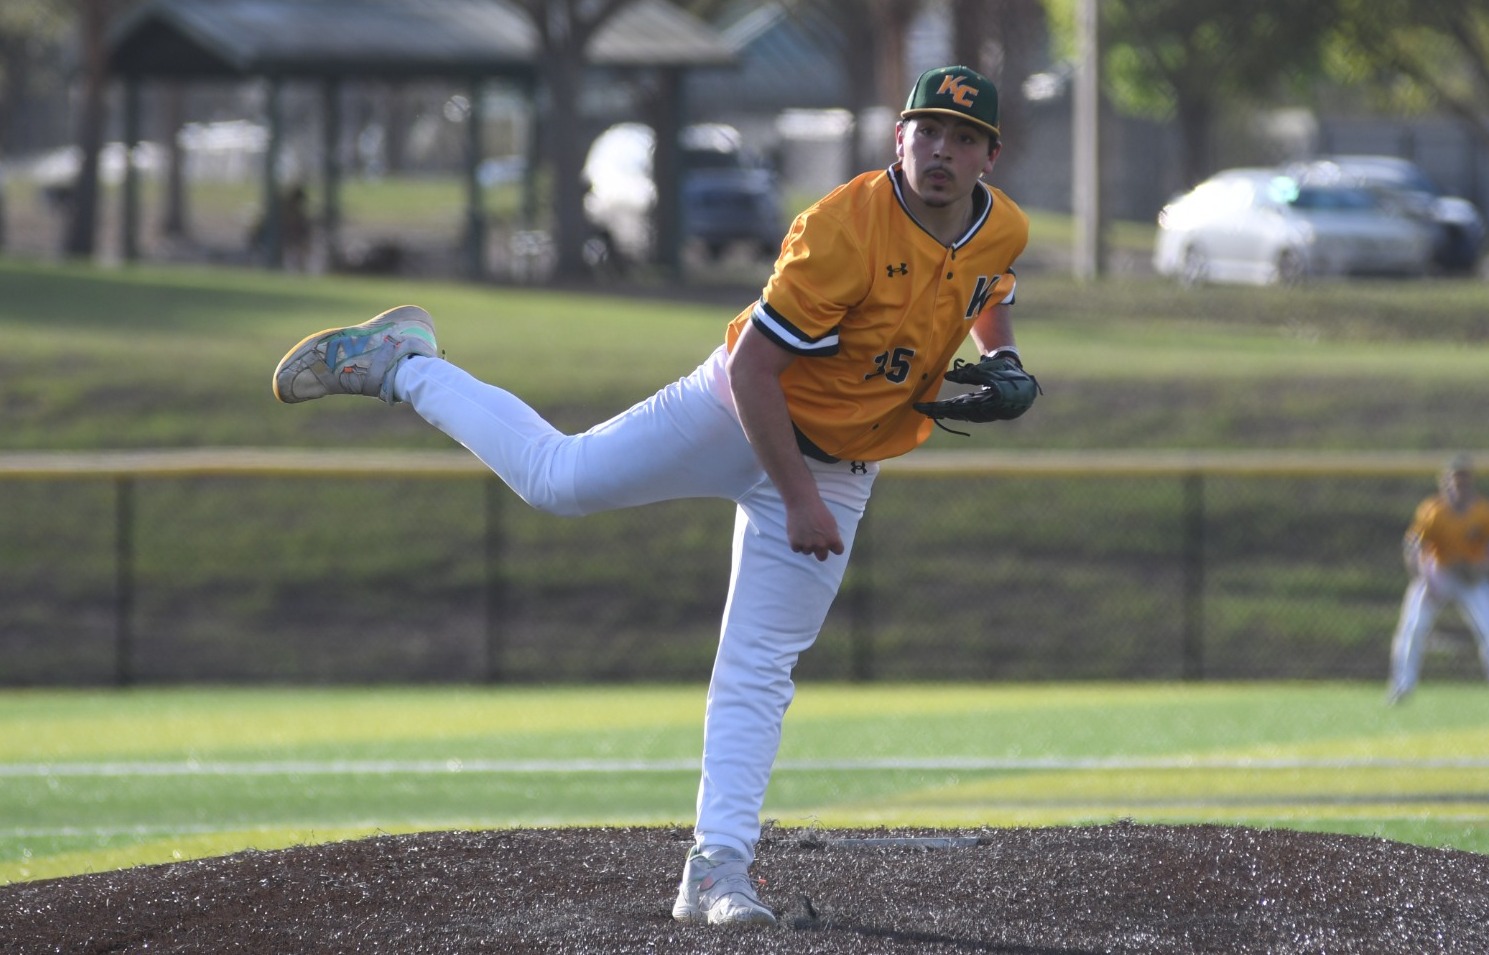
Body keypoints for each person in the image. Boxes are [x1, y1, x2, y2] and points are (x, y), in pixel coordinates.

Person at [270, 65, 1036, 927]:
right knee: (558, 480)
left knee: (759, 666)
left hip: (843, 461)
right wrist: (799, 499)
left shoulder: (1000, 226)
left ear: (989, 155)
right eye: (926, 129)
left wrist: (1003, 360)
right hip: (737, 414)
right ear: (897, 136)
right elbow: (754, 369)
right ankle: (404, 364)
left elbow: (987, 288)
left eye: (962, 137)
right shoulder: (842, 227)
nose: (940, 149)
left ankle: (715, 871)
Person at [1387, 454, 1489, 708]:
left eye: (1463, 479)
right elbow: (1413, 546)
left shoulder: (1484, 511)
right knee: (1413, 629)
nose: (1458, 485)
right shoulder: (1433, 510)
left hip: (1471, 578)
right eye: (1453, 479)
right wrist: (1422, 579)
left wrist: (1486, 565)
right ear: (1443, 483)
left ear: (1471, 483)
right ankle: (1401, 687)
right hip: (1437, 574)